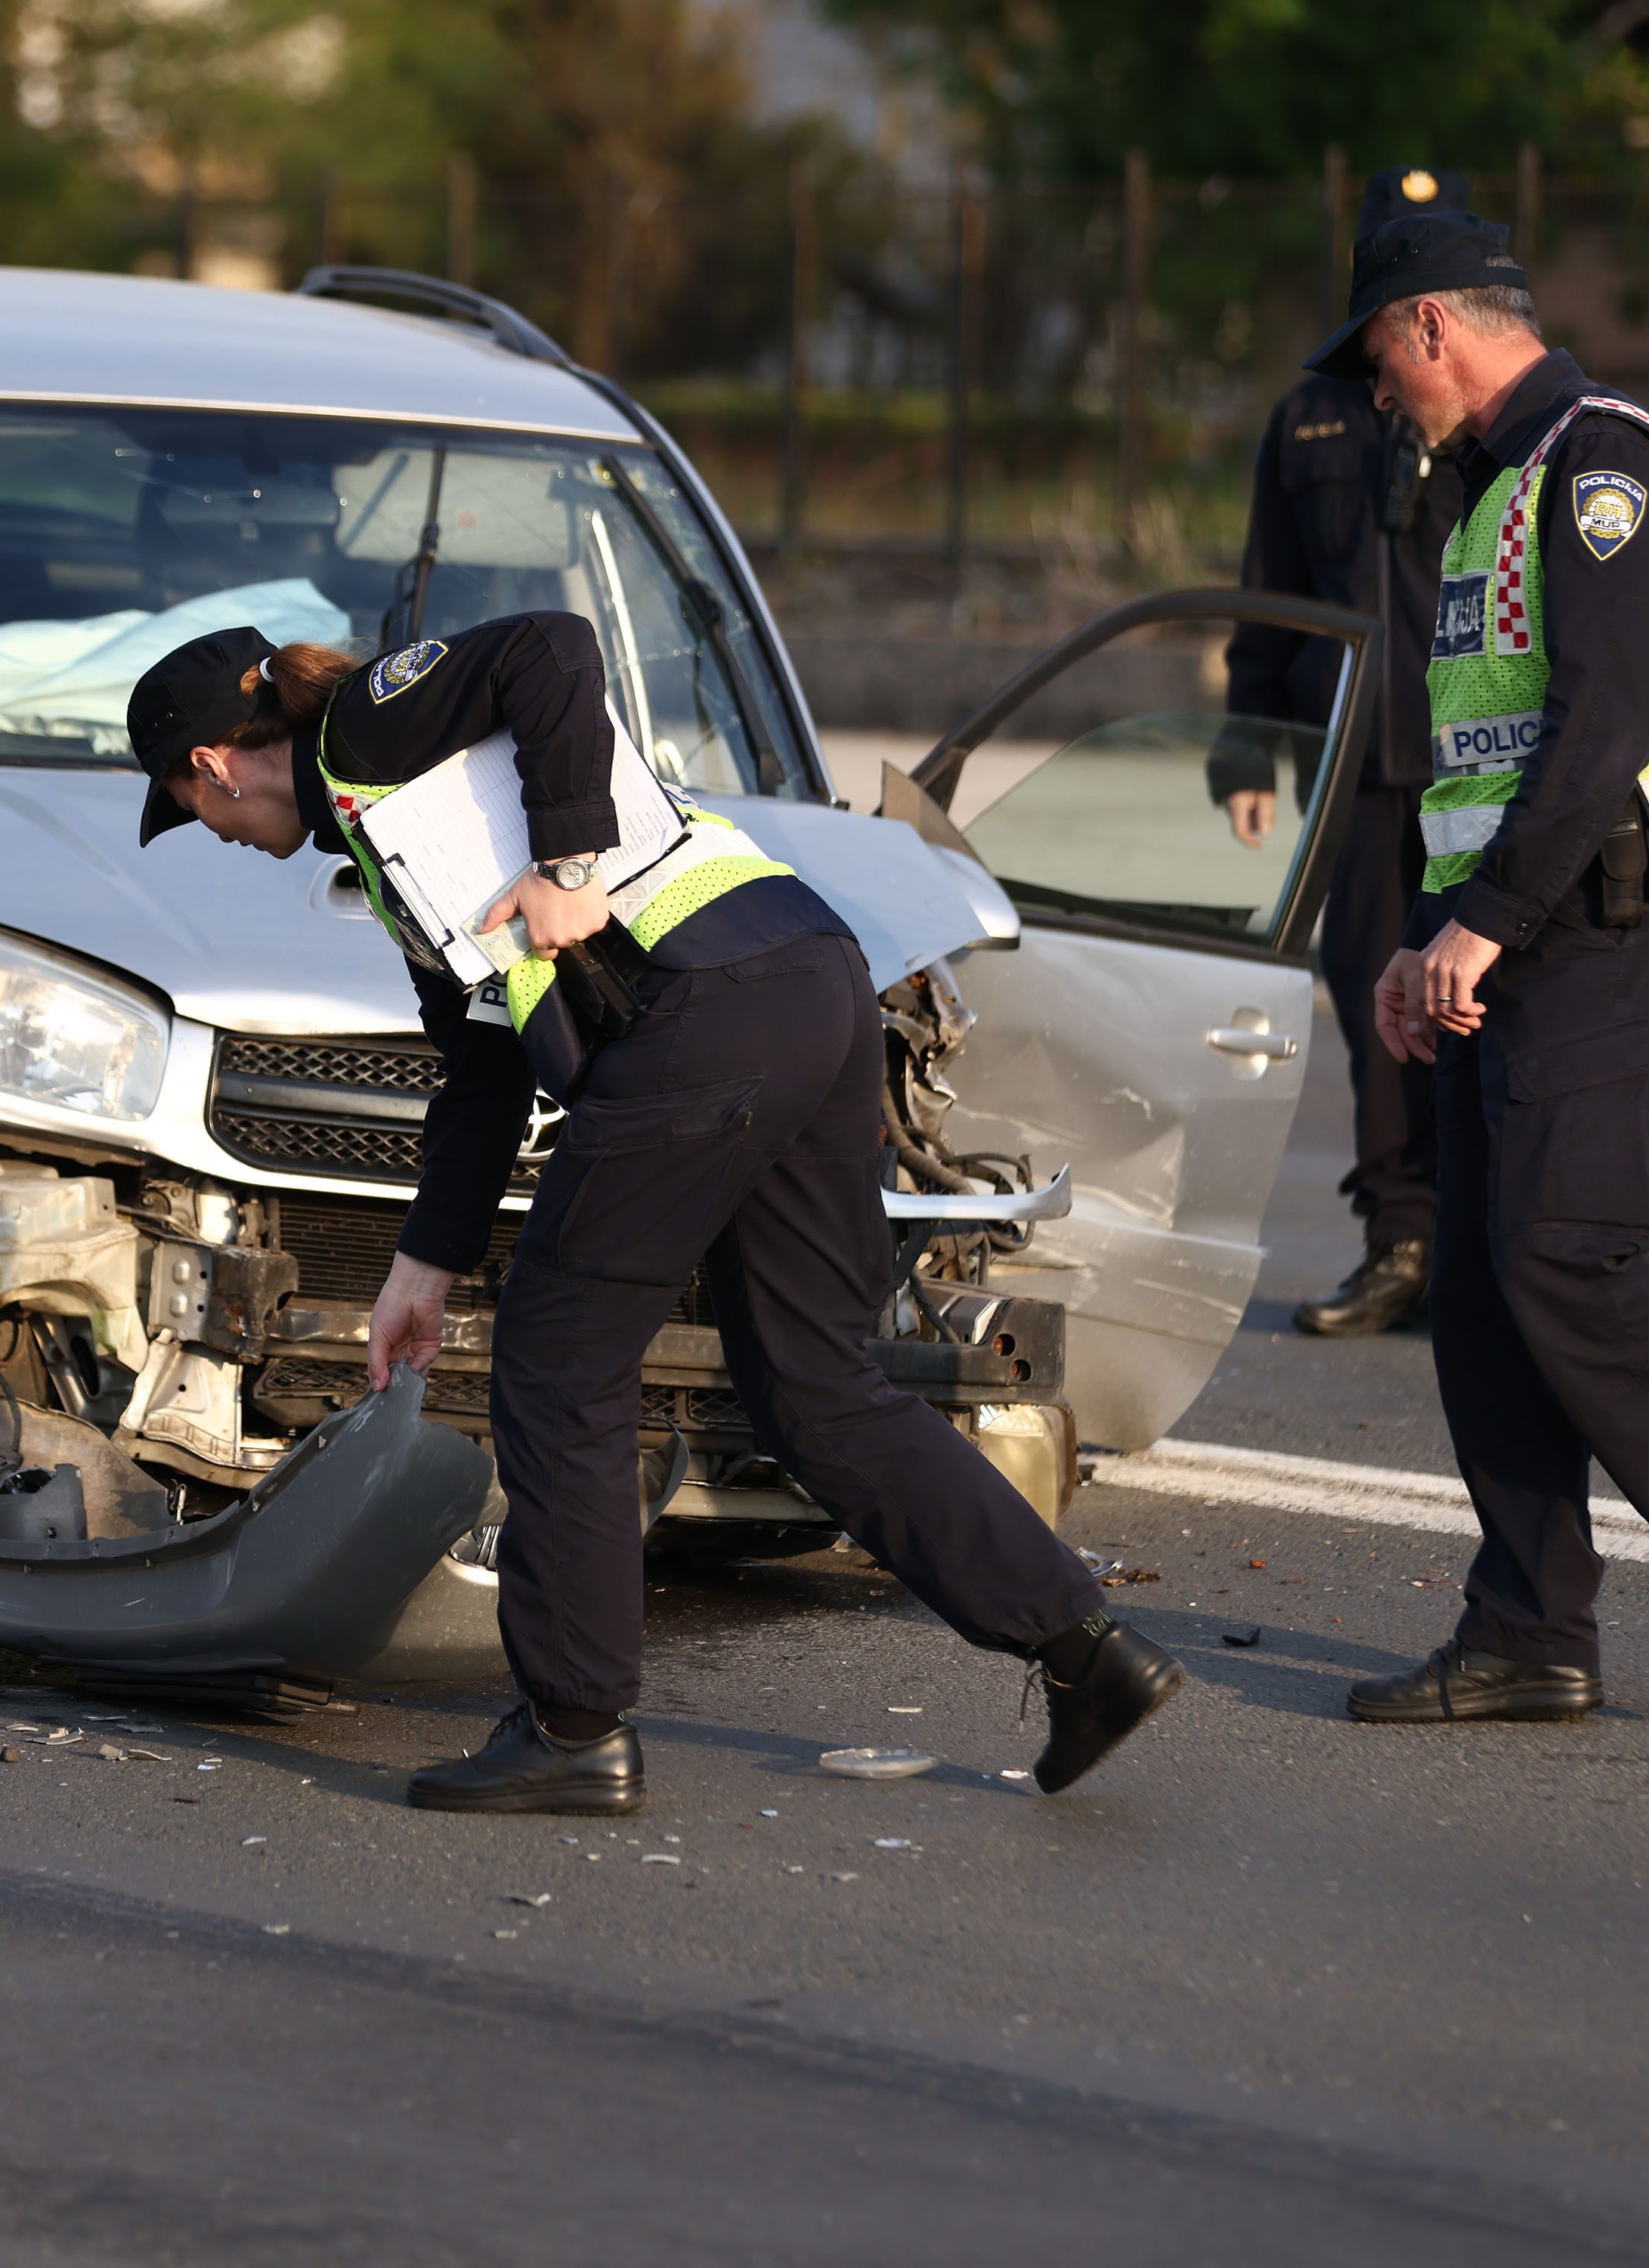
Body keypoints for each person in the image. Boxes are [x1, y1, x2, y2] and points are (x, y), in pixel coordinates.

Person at [125, 613, 1185, 1809]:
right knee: (813, 1384)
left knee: (558, 1357)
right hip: (806, 982)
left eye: (193, 810)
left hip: (709, 1012)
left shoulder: (369, 724)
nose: (218, 838)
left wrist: (571, 866)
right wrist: (422, 1263)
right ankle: (1084, 1649)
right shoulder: (386, 836)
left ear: (213, 762)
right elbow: (479, 1067)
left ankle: (573, 1727)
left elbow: (556, 649)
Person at [1298, 212, 1649, 1725]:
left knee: (1563, 1253)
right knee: (1477, 1286)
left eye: (1381, 367)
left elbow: (1604, 724)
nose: (1380, 400)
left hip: (1604, 917)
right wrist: (1430, 933)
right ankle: (1530, 1625)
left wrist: (1490, 914)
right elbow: (1494, 755)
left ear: (1428, 330)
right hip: (1518, 929)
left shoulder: (1599, 462)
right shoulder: (1487, 496)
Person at [1217, 166, 1471, 1338]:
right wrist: (1247, 755)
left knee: (1478, 1011)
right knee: (1382, 1020)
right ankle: (1402, 1242)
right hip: (1350, 770)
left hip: (1471, 766)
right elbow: (1271, 597)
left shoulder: (1491, 418)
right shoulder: (1313, 415)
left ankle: (1483, 1247)